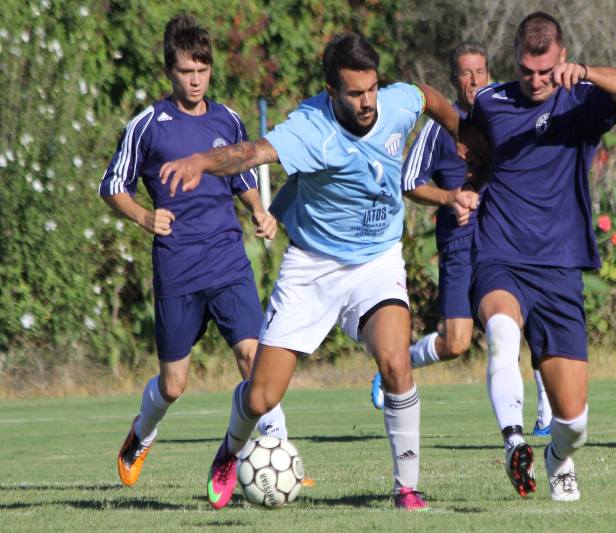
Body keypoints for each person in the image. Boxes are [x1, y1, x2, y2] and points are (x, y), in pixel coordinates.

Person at [159, 33, 467, 511]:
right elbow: (250, 153)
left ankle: (406, 487)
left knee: (396, 363)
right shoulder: (309, 128)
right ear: (331, 91)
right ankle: (229, 450)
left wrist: (458, 129)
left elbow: (427, 95)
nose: (366, 103)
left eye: (371, 90)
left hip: (376, 262)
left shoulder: (395, 103)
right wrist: (202, 159)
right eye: (354, 94)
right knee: (261, 397)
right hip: (313, 267)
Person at [99, 14, 287, 488]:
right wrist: (144, 217)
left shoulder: (228, 120)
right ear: (171, 71)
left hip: (227, 259)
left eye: (202, 69)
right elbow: (112, 185)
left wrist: (257, 211)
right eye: (187, 70)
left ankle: (278, 452)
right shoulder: (148, 126)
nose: (196, 79)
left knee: (254, 358)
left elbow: (241, 173)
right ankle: (141, 433)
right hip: (178, 266)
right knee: (174, 385)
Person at [461, 12, 616, 501]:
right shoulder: (491, 102)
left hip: (561, 267)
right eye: (526, 71)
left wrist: (584, 73)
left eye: (545, 70)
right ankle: (513, 440)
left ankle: (558, 456)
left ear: (561, 58)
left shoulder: (578, 102)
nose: (536, 81)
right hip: (500, 254)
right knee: (501, 332)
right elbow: (463, 135)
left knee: (575, 422)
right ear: (515, 63)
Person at [370, 41, 553, 437]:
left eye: (480, 72)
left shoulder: (505, 114)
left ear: (489, 74)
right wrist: (450, 197)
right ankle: (398, 362)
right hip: (460, 244)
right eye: (465, 73)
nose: (473, 80)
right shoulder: (440, 127)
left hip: (506, 239)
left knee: (530, 319)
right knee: (456, 342)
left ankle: (546, 415)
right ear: (454, 79)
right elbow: (408, 181)